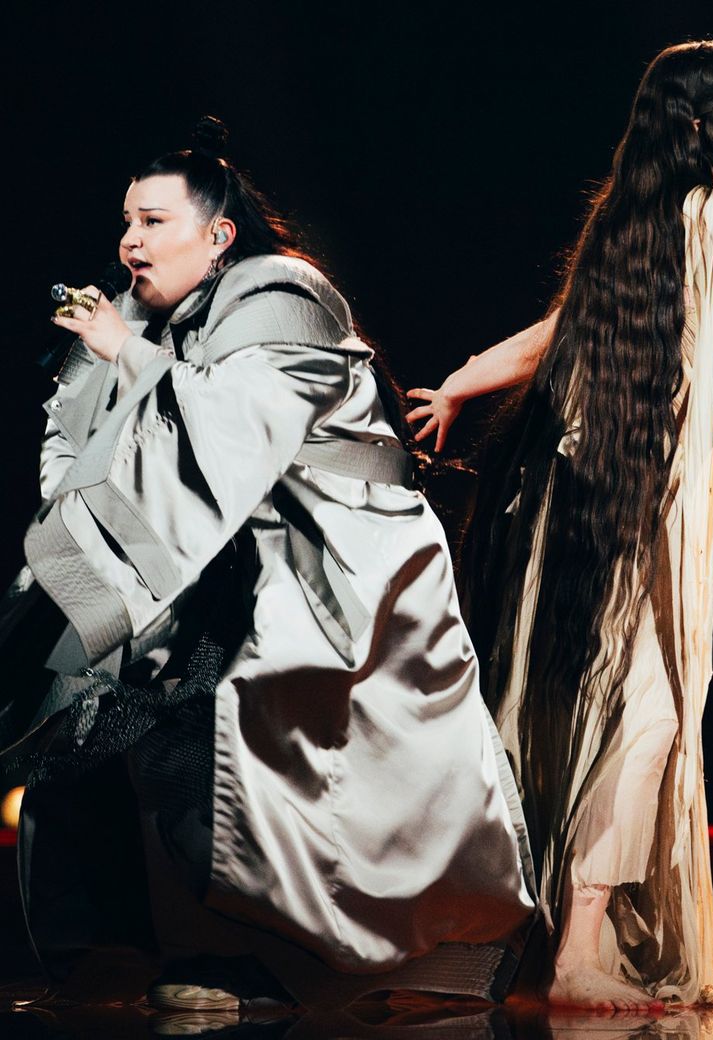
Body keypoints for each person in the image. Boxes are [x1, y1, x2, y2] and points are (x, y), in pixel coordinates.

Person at [0, 116, 536, 1012]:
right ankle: (115, 952)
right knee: (87, 708)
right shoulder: (141, 315)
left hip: (336, 563)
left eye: (154, 221)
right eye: (127, 221)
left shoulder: (282, 291)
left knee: (223, 723)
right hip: (215, 560)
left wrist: (123, 354)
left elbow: (232, 430)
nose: (131, 242)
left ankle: (264, 957)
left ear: (219, 235)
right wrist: (96, 374)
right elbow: (79, 449)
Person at [407, 41, 713, 1010]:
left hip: (610, 505)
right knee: (640, 718)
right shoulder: (701, 213)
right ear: (700, 125)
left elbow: (560, 330)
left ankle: (570, 944)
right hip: (617, 511)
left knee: (628, 717)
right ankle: (574, 956)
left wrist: (465, 379)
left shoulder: (650, 223)